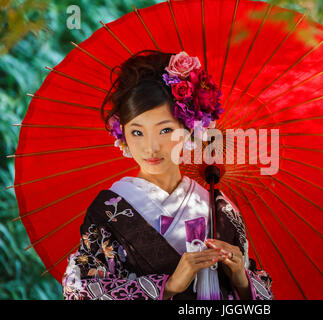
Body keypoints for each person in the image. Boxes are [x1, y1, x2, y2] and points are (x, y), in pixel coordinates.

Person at [61, 49, 273, 300]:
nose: (151, 147)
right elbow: (80, 292)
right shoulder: (108, 210)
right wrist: (169, 286)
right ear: (123, 135)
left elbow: (260, 295)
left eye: (165, 131)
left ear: (189, 128)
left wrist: (242, 280)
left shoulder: (218, 208)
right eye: (137, 132)